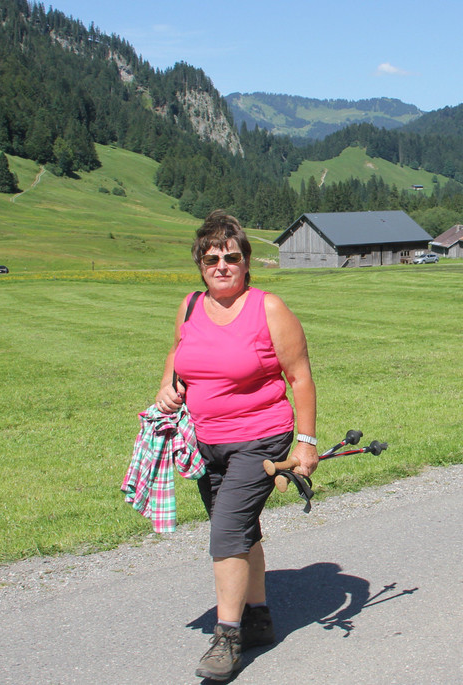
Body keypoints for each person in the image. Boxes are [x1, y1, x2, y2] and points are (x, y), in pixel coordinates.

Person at [155, 210, 319, 680]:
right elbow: (178, 354)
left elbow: (300, 377)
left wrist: (306, 443)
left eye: (231, 257)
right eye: (211, 259)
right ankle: (259, 617)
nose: (221, 266)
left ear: (246, 262)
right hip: (205, 441)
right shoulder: (190, 306)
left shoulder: (268, 308)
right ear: (200, 265)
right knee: (240, 529)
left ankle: (227, 637)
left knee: (227, 531)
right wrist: (167, 385)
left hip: (260, 439)